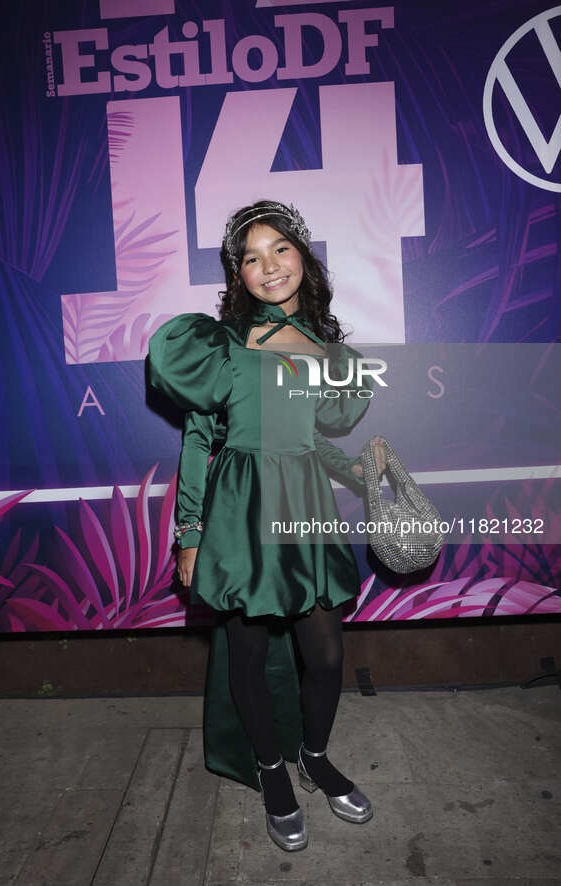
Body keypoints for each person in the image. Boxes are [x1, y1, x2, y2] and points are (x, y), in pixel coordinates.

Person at [148, 200, 386, 851]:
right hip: (241, 515)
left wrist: (368, 476)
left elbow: (313, 440)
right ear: (238, 276)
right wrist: (190, 535)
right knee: (246, 656)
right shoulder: (221, 347)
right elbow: (198, 443)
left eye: (278, 248)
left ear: (302, 257)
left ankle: (312, 755)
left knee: (328, 654)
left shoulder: (322, 348)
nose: (267, 265)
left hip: (305, 507)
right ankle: (270, 768)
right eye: (250, 257)